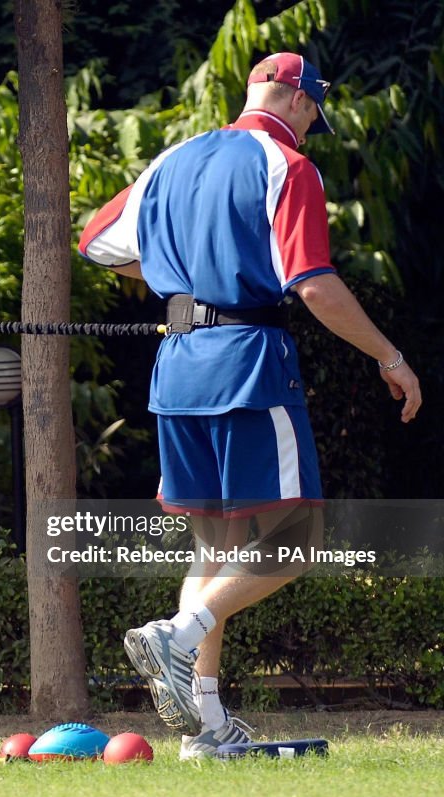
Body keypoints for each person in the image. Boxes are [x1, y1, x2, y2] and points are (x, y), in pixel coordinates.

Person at [78, 53, 421, 759]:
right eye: (312, 115)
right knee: (299, 538)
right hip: (247, 366)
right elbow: (314, 284)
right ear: (298, 99)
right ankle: (175, 633)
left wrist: (181, 280)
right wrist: (390, 355)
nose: (309, 130)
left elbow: (95, 242)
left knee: (216, 545)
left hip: (176, 372)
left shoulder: (170, 160)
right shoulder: (287, 166)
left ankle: (204, 726)